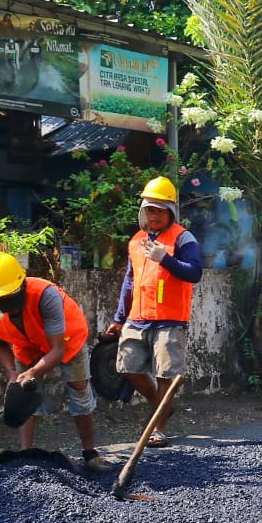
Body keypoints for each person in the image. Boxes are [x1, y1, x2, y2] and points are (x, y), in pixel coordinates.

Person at [0, 252, 113, 472]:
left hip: (68, 339)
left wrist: (32, 373)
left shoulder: (45, 295)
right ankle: (24, 454)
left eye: (10, 296)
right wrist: (13, 374)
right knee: (22, 391)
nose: (6, 304)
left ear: (21, 284)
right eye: (0, 299)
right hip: (26, 345)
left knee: (78, 388)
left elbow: (57, 350)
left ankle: (90, 455)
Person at [104, 176, 203, 447]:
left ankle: (158, 428)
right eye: (149, 209)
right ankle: (162, 406)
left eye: (159, 209)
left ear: (170, 210)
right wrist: (118, 318)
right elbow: (129, 280)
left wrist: (166, 259)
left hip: (170, 318)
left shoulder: (183, 238)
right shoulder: (136, 241)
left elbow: (195, 272)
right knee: (127, 367)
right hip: (138, 317)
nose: (153, 214)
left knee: (165, 374)